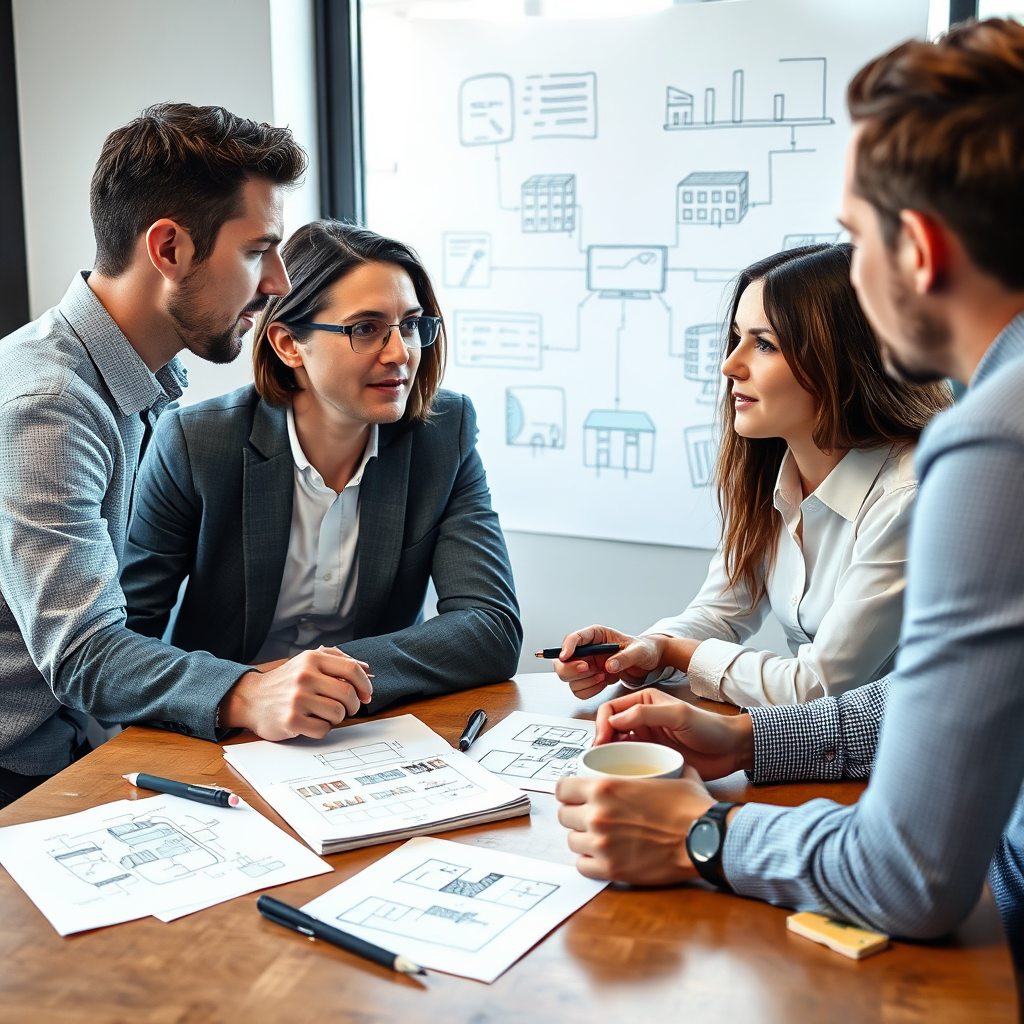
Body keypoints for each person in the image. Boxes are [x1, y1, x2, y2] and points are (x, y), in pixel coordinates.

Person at [555, 17, 1024, 965]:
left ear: (921, 251)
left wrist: (697, 832)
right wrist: (752, 746)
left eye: (855, 240)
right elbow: (922, 700)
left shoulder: (990, 445)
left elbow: (910, 873)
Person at [0, 103, 370, 809]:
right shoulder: (47, 405)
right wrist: (247, 690)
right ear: (169, 248)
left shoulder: (133, 381)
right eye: (259, 250)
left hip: (77, 748)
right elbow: (82, 651)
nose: (279, 285)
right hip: (20, 775)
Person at [121, 220, 521, 707]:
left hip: (367, 726)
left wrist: (324, 678)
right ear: (289, 344)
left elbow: (490, 628)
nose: (401, 354)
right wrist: (245, 690)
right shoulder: (196, 442)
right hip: (224, 729)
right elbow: (126, 638)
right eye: (366, 329)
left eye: (412, 325)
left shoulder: (444, 433)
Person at [554, 245, 950, 708]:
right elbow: (719, 612)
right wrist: (647, 648)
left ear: (841, 360)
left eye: (764, 344)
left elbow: (817, 687)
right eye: (737, 338)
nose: (730, 365)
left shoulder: (912, 496)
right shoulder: (772, 476)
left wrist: (682, 653)